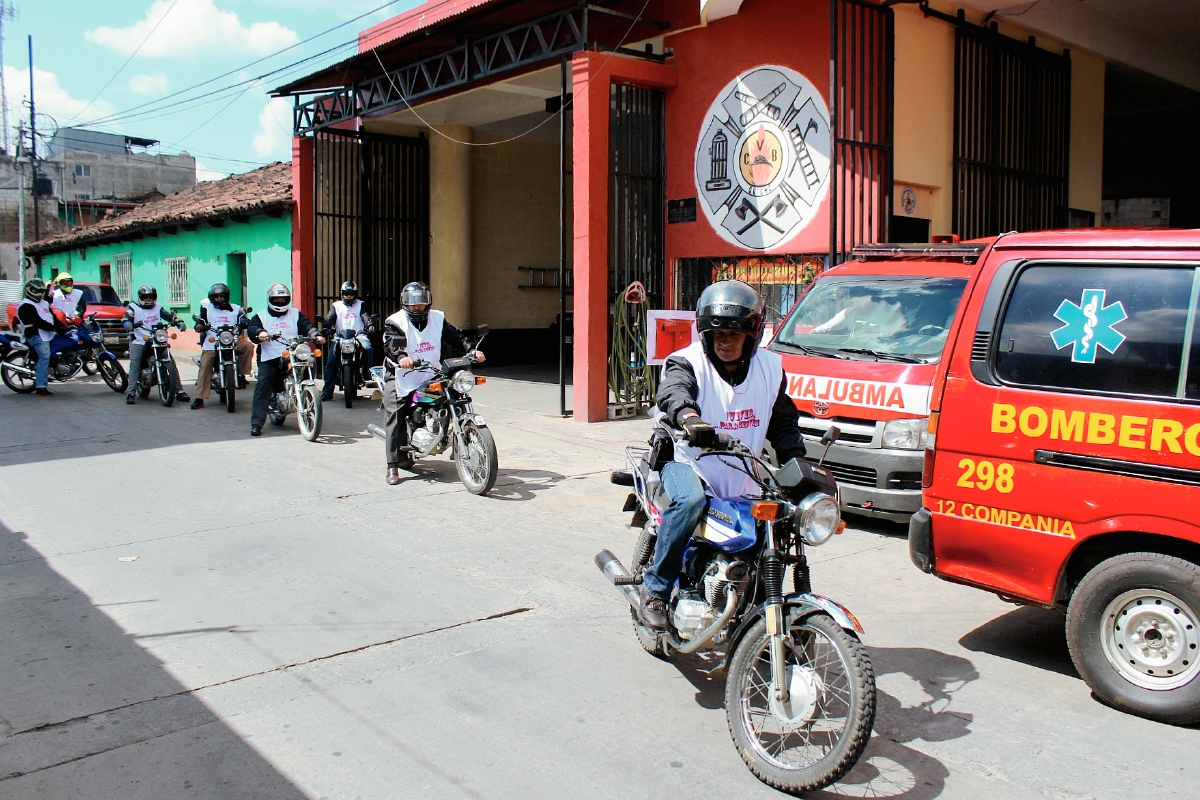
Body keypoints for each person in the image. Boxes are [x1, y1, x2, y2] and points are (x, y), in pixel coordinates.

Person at [637, 280, 805, 630]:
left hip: (743, 472)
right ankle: (655, 590)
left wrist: (798, 464)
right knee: (690, 501)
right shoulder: (686, 362)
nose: (725, 341)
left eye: (734, 333)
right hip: (685, 463)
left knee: (780, 517)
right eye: (718, 334)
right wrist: (689, 418)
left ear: (751, 334)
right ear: (706, 334)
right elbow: (673, 393)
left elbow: (784, 423)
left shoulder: (770, 369)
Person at [381, 282, 485, 485]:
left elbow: (455, 336)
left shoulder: (437, 318)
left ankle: (457, 441)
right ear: (404, 304)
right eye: (411, 304)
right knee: (395, 413)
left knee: (455, 395)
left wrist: (470, 349)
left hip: (430, 372)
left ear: (427, 302)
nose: (416, 307)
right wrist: (402, 356)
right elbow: (391, 345)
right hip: (401, 374)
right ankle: (392, 465)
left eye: (420, 303)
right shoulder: (395, 321)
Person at [246, 283, 323, 437]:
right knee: (263, 384)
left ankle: (307, 402)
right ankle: (256, 423)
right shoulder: (261, 316)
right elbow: (253, 328)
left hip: (293, 354)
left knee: (308, 368)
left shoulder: (295, 314)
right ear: (270, 299)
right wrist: (260, 332)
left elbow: (306, 325)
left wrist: (315, 334)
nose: (280, 302)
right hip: (270, 357)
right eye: (277, 299)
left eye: (283, 299)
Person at [123, 284, 190, 406]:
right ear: (141, 297)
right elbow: (125, 318)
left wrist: (178, 322)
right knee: (135, 364)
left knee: (171, 361)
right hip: (139, 340)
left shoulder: (158, 307)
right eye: (146, 297)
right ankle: (131, 392)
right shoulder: (133, 307)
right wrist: (127, 324)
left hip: (157, 338)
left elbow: (169, 316)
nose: (149, 299)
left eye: (151, 297)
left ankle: (179, 391)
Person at [190, 283, 254, 409]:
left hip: (233, 341)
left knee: (248, 346)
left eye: (222, 296)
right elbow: (200, 320)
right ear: (212, 298)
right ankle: (200, 398)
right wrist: (200, 326)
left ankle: (241, 374)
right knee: (205, 365)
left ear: (227, 297)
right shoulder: (207, 307)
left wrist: (245, 322)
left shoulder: (236, 309)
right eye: (217, 297)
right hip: (212, 343)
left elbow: (243, 318)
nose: (220, 299)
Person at [320, 280, 375, 402]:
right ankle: (327, 392)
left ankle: (367, 373)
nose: (348, 295)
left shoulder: (361, 304)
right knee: (331, 362)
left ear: (355, 294)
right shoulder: (336, 306)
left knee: (368, 348)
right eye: (346, 293)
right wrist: (326, 328)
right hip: (340, 337)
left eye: (351, 293)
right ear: (342, 293)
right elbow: (330, 318)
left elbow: (365, 316)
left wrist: (370, 325)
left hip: (359, 336)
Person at [15, 278, 63, 397]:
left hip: (48, 334)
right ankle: (40, 387)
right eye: (36, 290)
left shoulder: (44, 303)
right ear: (29, 290)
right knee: (44, 357)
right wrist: (54, 328)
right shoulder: (25, 306)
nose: (40, 293)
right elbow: (37, 322)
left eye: (41, 291)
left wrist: (62, 326)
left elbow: (52, 317)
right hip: (36, 335)